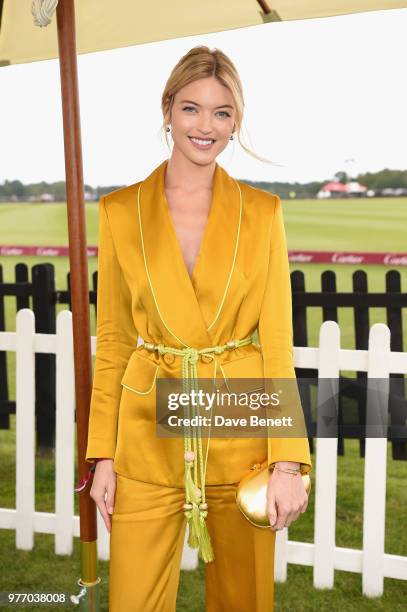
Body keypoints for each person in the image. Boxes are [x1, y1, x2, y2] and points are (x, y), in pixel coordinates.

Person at [85, 45, 312, 611]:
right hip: (143, 437)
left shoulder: (264, 213)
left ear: (236, 122)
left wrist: (288, 464)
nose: (204, 126)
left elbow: (277, 343)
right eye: (191, 108)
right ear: (167, 110)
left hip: (243, 433)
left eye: (221, 112)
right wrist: (103, 456)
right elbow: (112, 341)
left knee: (245, 601)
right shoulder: (118, 212)